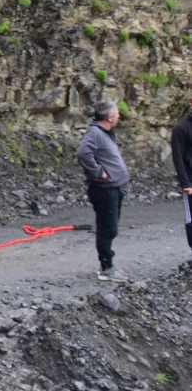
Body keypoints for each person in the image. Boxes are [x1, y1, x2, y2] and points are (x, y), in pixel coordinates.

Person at [77, 100, 131, 282]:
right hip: (104, 190)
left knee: (110, 227)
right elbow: (83, 153)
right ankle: (106, 268)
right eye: (117, 114)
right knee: (107, 228)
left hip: (113, 188)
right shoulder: (95, 133)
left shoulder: (104, 132)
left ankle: (108, 266)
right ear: (109, 117)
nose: (119, 116)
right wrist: (98, 172)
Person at [170, 95, 192, 254]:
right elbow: (177, 157)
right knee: (191, 218)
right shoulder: (181, 128)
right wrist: (185, 183)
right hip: (191, 180)